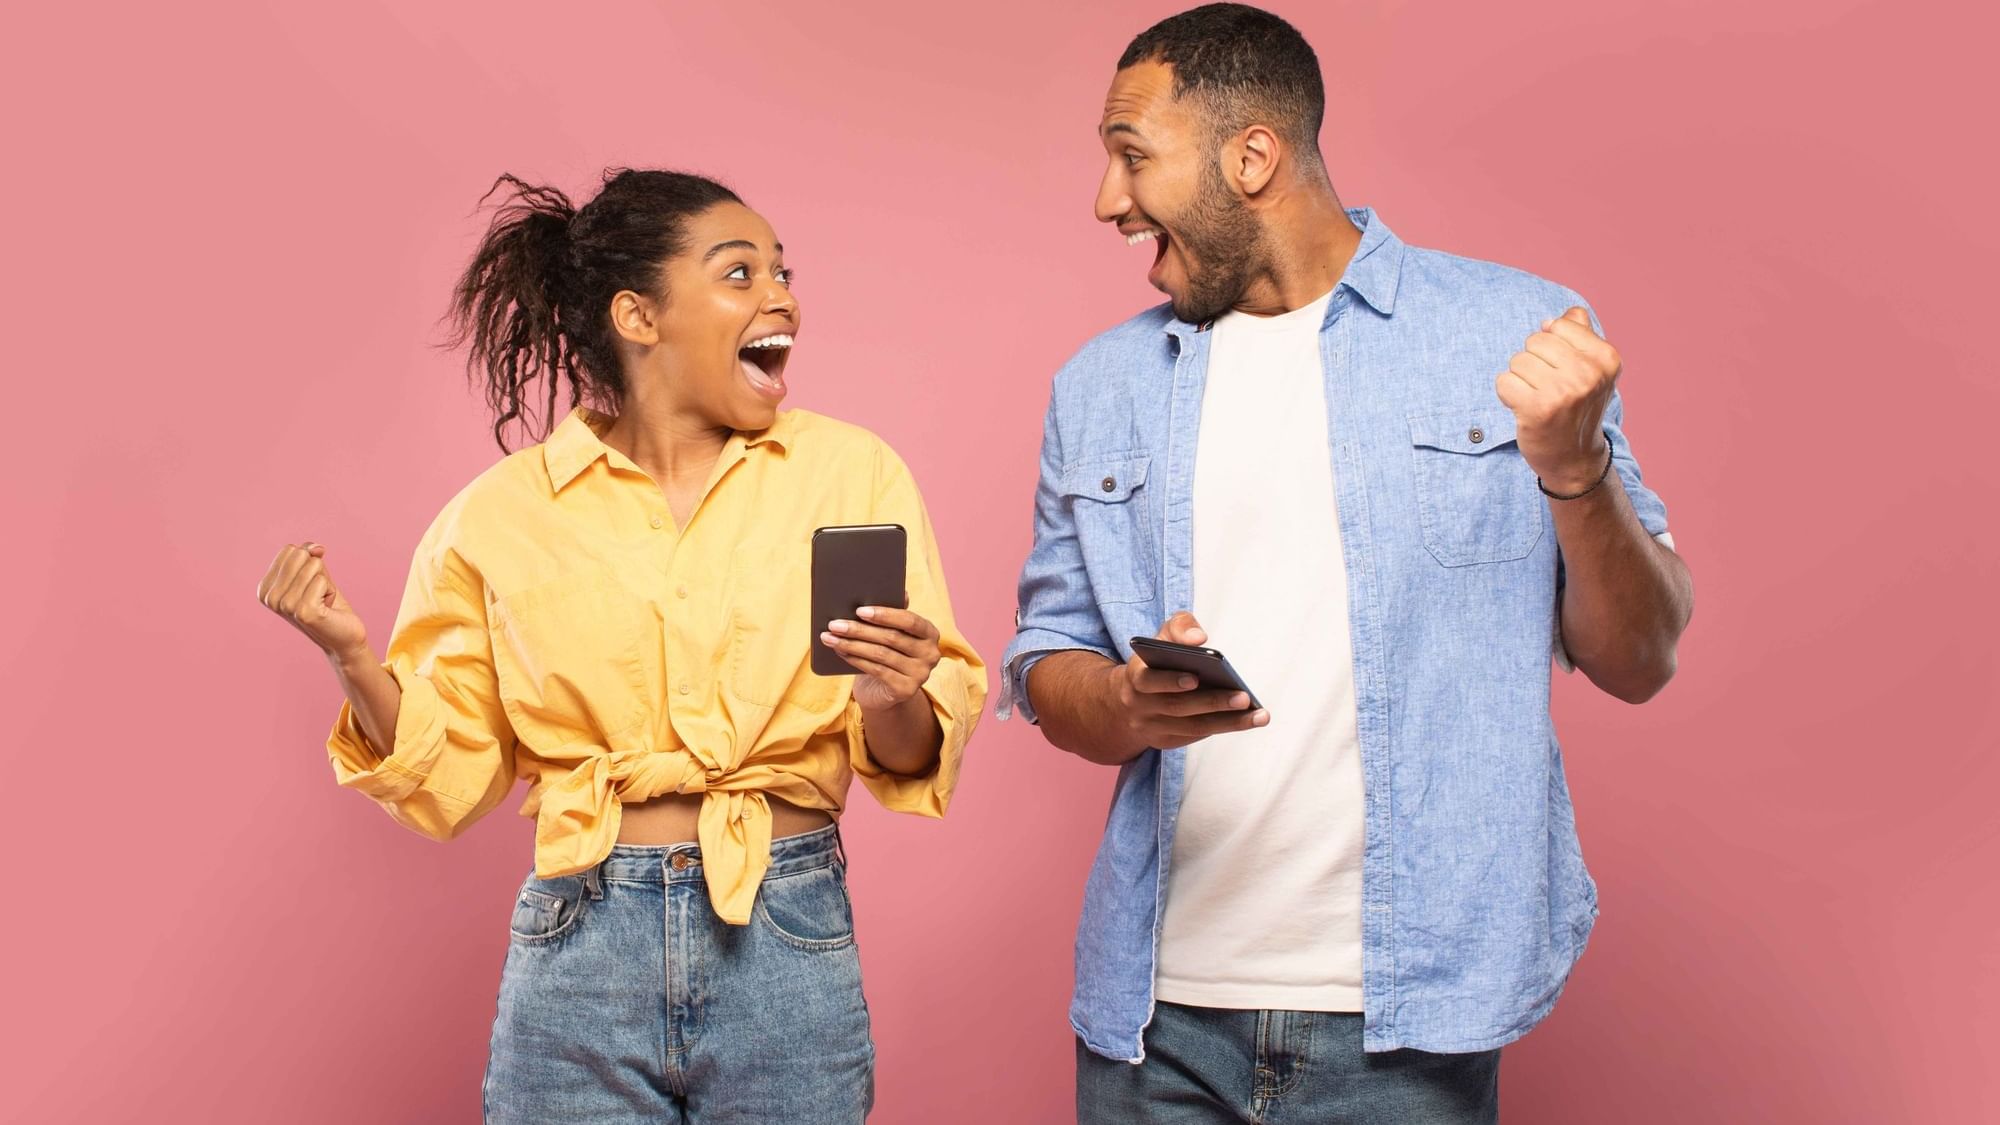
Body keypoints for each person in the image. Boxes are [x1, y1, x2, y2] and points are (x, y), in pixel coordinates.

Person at [1000, 6, 1694, 1121]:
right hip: (1151, 1026)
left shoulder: (1509, 334)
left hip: (1408, 1023)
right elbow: (1045, 664)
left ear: (1252, 156)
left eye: (1131, 156)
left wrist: (1575, 471)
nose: (1106, 201)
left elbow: (1639, 656)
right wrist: (1126, 700)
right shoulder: (1099, 386)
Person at [255, 168, 984, 1123]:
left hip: (784, 931)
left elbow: (906, 758)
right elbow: (451, 780)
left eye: (783, 271)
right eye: (739, 272)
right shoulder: (501, 514)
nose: (783, 296)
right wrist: (350, 657)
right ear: (640, 317)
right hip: (578, 941)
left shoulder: (850, 475)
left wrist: (891, 695)